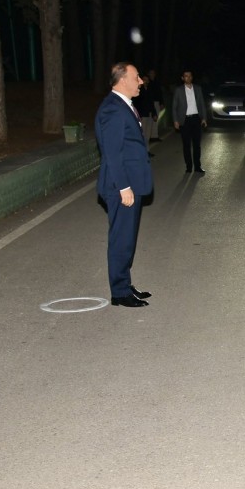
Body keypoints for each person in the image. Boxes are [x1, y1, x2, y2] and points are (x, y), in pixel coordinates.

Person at [96, 62, 154, 308]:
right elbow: (112, 153)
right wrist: (123, 188)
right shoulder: (113, 109)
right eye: (136, 77)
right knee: (121, 239)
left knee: (128, 238)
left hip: (131, 183)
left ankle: (124, 283)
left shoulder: (123, 106)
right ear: (122, 80)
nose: (140, 81)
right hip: (122, 187)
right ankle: (119, 292)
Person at [171, 69, 207, 173]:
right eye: (186, 76)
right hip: (184, 120)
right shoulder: (179, 90)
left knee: (197, 145)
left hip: (196, 119)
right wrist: (175, 120)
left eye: (190, 76)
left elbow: (202, 104)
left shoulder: (198, 88)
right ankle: (189, 166)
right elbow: (174, 107)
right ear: (182, 78)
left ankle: (197, 166)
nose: (188, 78)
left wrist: (204, 118)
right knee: (186, 145)